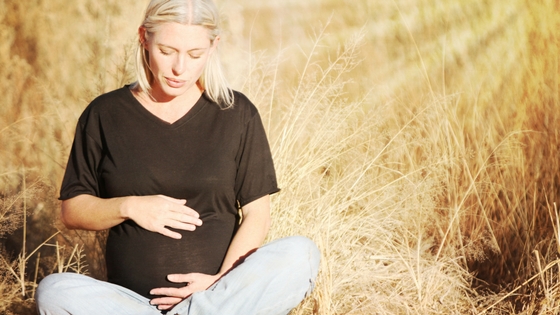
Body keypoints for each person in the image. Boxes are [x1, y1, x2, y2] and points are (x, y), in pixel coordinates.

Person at [35, 0, 320, 314]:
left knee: (302, 254)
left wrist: (218, 283)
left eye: (194, 54)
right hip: (133, 306)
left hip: (219, 295)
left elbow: (257, 214)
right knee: (54, 291)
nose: (179, 68)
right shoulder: (105, 113)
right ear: (144, 38)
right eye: (167, 51)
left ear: (214, 46)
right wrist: (130, 206)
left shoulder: (237, 113)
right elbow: (72, 210)